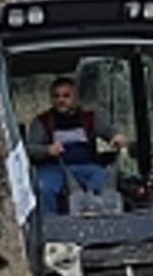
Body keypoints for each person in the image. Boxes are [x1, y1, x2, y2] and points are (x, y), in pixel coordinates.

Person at [26, 77, 129, 214]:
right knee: (44, 188)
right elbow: (30, 149)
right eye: (56, 96)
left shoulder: (90, 118)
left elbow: (110, 132)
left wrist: (117, 137)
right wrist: (47, 150)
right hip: (54, 167)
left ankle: (106, 220)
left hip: (86, 166)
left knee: (105, 182)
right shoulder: (42, 122)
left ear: (76, 97)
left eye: (66, 96)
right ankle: (50, 225)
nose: (61, 100)